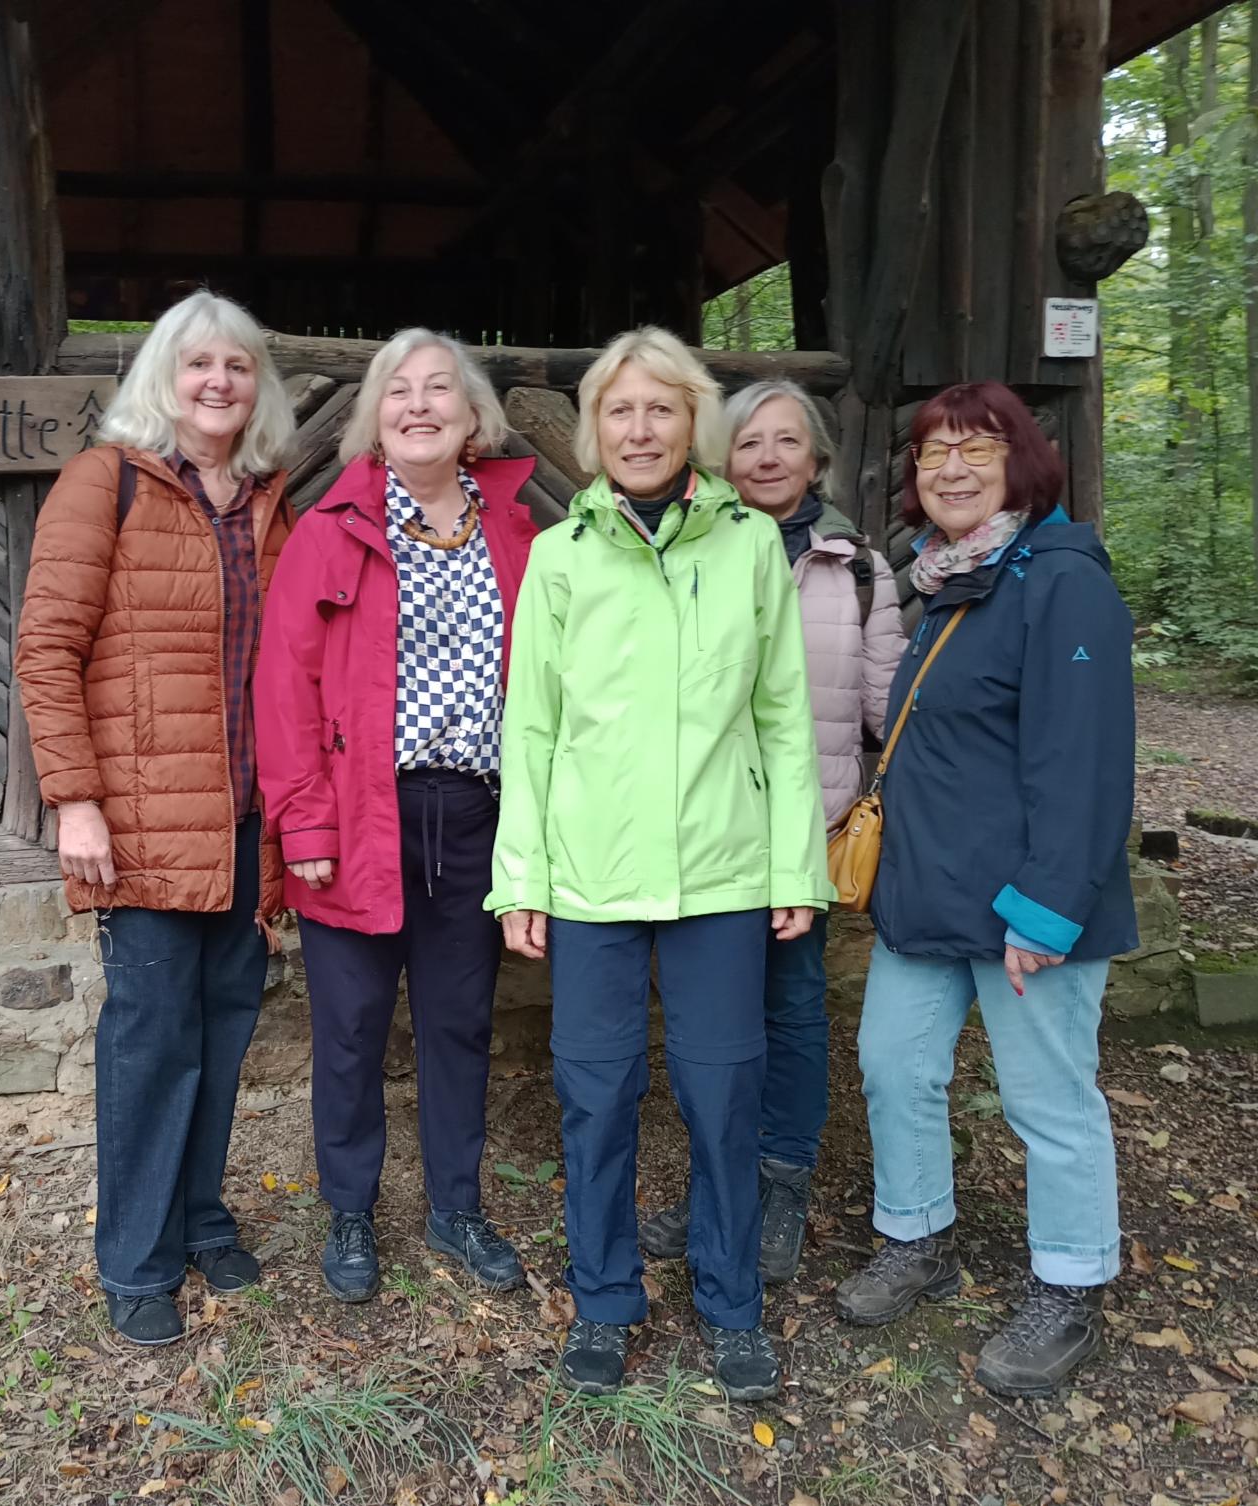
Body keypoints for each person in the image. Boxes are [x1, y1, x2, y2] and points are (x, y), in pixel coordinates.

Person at [489, 327, 833, 1401]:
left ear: (696, 425)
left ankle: (731, 1305)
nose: (638, 429)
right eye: (618, 412)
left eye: (659, 410)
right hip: (589, 876)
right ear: (592, 432)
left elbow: (782, 719)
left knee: (722, 1093)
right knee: (594, 1096)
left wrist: (794, 871)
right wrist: (522, 879)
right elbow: (528, 732)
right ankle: (602, 1299)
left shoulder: (744, 550)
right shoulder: (560, 556)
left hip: (722, 874)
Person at [832, 380, 1136, 1399]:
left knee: (1044, 1098)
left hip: (1023, 906)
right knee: (890, 1066)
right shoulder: (948, 582)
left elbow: (1082, 759)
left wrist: (1047, 906)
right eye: (930, 453)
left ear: (1022, 463)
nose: (949, 468)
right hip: (927, 893)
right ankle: (915, 1237)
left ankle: (1068, 1284)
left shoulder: (1061, 584)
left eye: (974, 447)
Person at [16, 291, 296, 1349]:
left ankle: (197, 1217)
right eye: (197, 366)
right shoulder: (106, 483)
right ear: (162, 380)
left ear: (255, 384)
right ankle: (135, 1260)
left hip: (241, 818)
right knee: (149, 1039)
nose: (217, 382)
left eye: (236, 366)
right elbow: (47, 647)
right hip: (138, 817)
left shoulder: (270, 502)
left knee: (224, 1035)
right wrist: (75, 799)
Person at [256, 329, 539, 1304]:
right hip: (356, 816)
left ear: (471, 419)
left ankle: (455, 1209)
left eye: (438, 391)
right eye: (396, 392)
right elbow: (283, 687)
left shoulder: (514, 533)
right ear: (374, 418)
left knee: (460, 1024)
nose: (417, 405)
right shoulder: (328, 529)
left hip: (474, 815)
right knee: (349, 1028)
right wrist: (304, 829)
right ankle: (348, 1211)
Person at [639, 381, 905, 1282]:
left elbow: (889, 711)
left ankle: (781, 1181)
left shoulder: (858, 569)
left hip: (803, 829)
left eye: (786, 442)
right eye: (748, 442)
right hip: (703, 827)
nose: (765, 457)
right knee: (710, 1019)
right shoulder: (687, 553)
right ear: (720, 456)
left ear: (817, 461)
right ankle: (717, 1184)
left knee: (789, 1011)